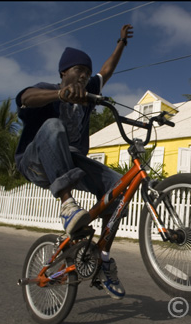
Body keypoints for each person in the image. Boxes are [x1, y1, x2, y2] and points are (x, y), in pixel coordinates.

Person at [14, 24, 134, 300]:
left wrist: (121, 44)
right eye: (78, 71)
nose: (83, 77)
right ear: (63, 73)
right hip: (36, 162)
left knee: (118, 188)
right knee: (54, 126)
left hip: (71, 164)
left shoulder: (88, 93)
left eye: (86, 73)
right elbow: (26, 98)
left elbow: (106, 71)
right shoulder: (48, 90)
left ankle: (103, 258)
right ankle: (67, 206)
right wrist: (59, 95)